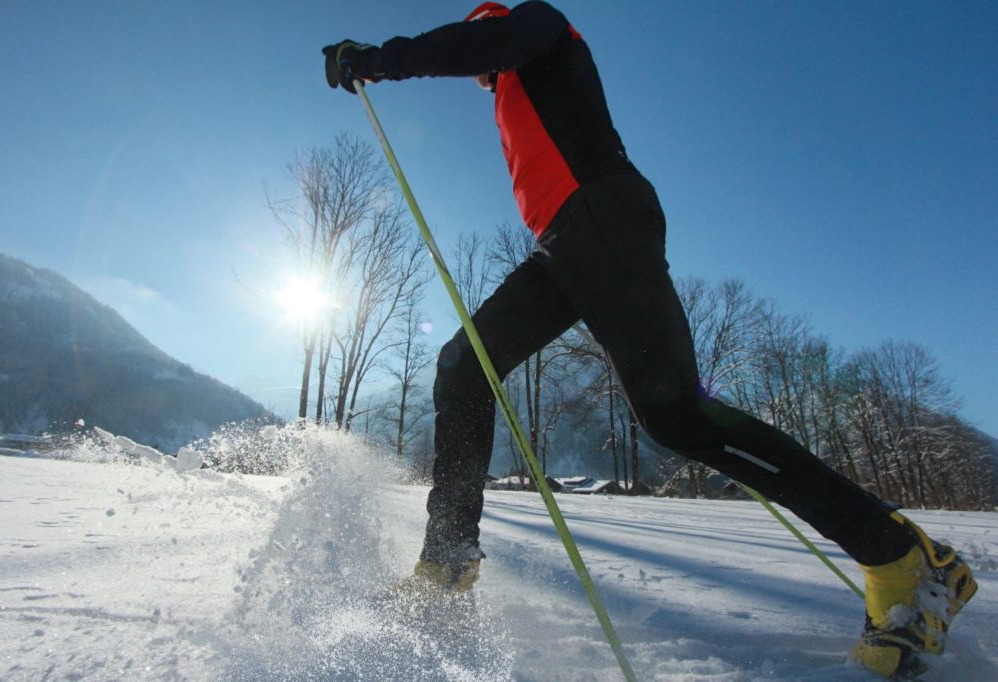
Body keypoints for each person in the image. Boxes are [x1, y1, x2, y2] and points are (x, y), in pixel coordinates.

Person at [322, 2, 976, 677]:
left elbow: (483, 42)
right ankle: (447, 556)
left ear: (491, 25)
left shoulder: (538, 29)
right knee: (464, 364)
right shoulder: (512, 89)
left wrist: (376, 60)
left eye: (481, 58)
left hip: (602, 214)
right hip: (564, 247)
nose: (479, 81)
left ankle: (902, 558)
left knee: (678, 417)